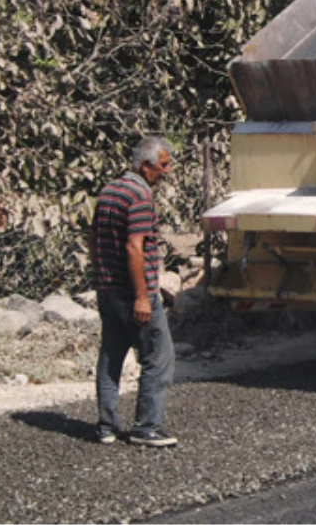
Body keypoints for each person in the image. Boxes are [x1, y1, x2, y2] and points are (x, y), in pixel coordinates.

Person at [89, 136, 177, 447]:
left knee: (111, 356)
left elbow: (94, 239)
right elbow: (134, 246)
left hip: (108, 289)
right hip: (133, 292)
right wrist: (142, 295)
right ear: (144, 165)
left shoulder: (108, 191)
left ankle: (106, 426)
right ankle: (147, 427)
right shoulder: (140, 196)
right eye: (162, 165)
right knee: (159, 356)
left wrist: (102, 278)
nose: (166, 171)